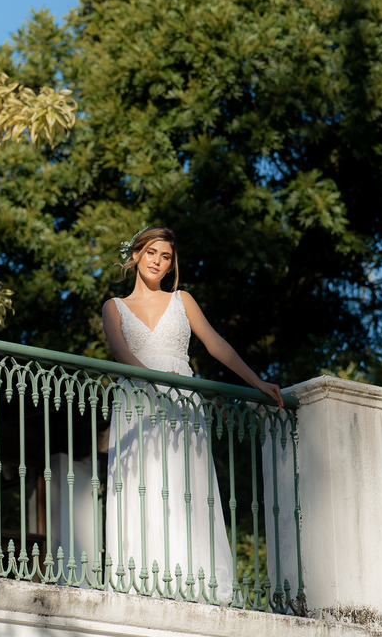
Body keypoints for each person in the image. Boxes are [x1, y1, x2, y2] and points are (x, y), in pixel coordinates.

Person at [101, 226, 282, 604]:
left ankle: (196, 586)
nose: (158, 261)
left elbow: (216, 344)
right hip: (138, 402)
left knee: (187, 488)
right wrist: (152, 381)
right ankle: (138, 582)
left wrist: (257, 382)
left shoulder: (182, 300)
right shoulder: (114, 307)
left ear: (171, 265)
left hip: (182, 403)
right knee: (141, 484)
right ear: (135, 255)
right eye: (151, 252)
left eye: (165, 257)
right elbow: (121, 353)